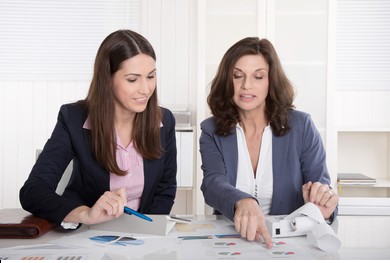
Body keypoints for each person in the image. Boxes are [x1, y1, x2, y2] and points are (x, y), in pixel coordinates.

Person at [19, 29, 177, 229]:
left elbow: (165, 189)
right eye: (132, 79)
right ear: (107, 79)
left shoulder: (165, 121)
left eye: (151, 76)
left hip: (143, 236)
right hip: (88, 234)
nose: (145, 89)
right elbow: (33, 191)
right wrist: (85, 214)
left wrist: (149, 230)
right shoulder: (74, 119)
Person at [199, 37, 339, 248]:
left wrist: (322, 202)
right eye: (238, 76)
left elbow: (319, 185)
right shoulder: (211, 130)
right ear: (227, 81)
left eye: (258, 76)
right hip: (232, 239)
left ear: (270, 81)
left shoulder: (302, 126)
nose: (246, 85)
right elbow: (212, 184)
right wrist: (242, 201)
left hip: (291, 241)